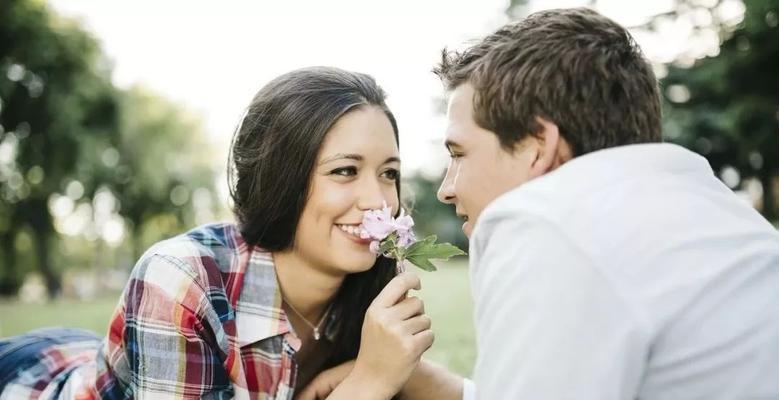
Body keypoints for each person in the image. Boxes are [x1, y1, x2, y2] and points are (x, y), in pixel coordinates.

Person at [0, 66, 437, 399]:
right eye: (345, 170)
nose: (378, 200)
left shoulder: (372, 284)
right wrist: (366, 384)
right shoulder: (179, 279)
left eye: (389, 173)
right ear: (280, 178)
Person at [432, 6, 779, 399]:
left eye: (458, 153)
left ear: (537, 144)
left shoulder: (548, 224)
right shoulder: (724, 217)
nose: (446, 189)